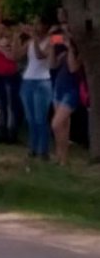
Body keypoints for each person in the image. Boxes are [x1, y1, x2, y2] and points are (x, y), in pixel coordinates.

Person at [16, 17, 52, 160]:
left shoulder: (54, 39)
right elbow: (16, 56)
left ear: (45, 25)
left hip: (42, 82)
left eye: (38, 23)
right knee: (30, 118)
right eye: (34, 24)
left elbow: (40, 55)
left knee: (40, 118)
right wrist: (16, 38)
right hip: (27, 81)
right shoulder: (31, 41)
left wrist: (35, 38)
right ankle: (32, 148)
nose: (35, 26)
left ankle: (43, 151)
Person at [50, 31, 82, 165]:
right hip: (58, 89)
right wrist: (52, 45)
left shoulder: (81, 54)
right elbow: (52, 65)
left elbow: (73, 68)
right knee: (63, 126)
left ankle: (63, 156)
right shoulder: (63, 52)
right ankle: (61, 157)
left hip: (71, 92)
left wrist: (70, 48)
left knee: (56, 124)